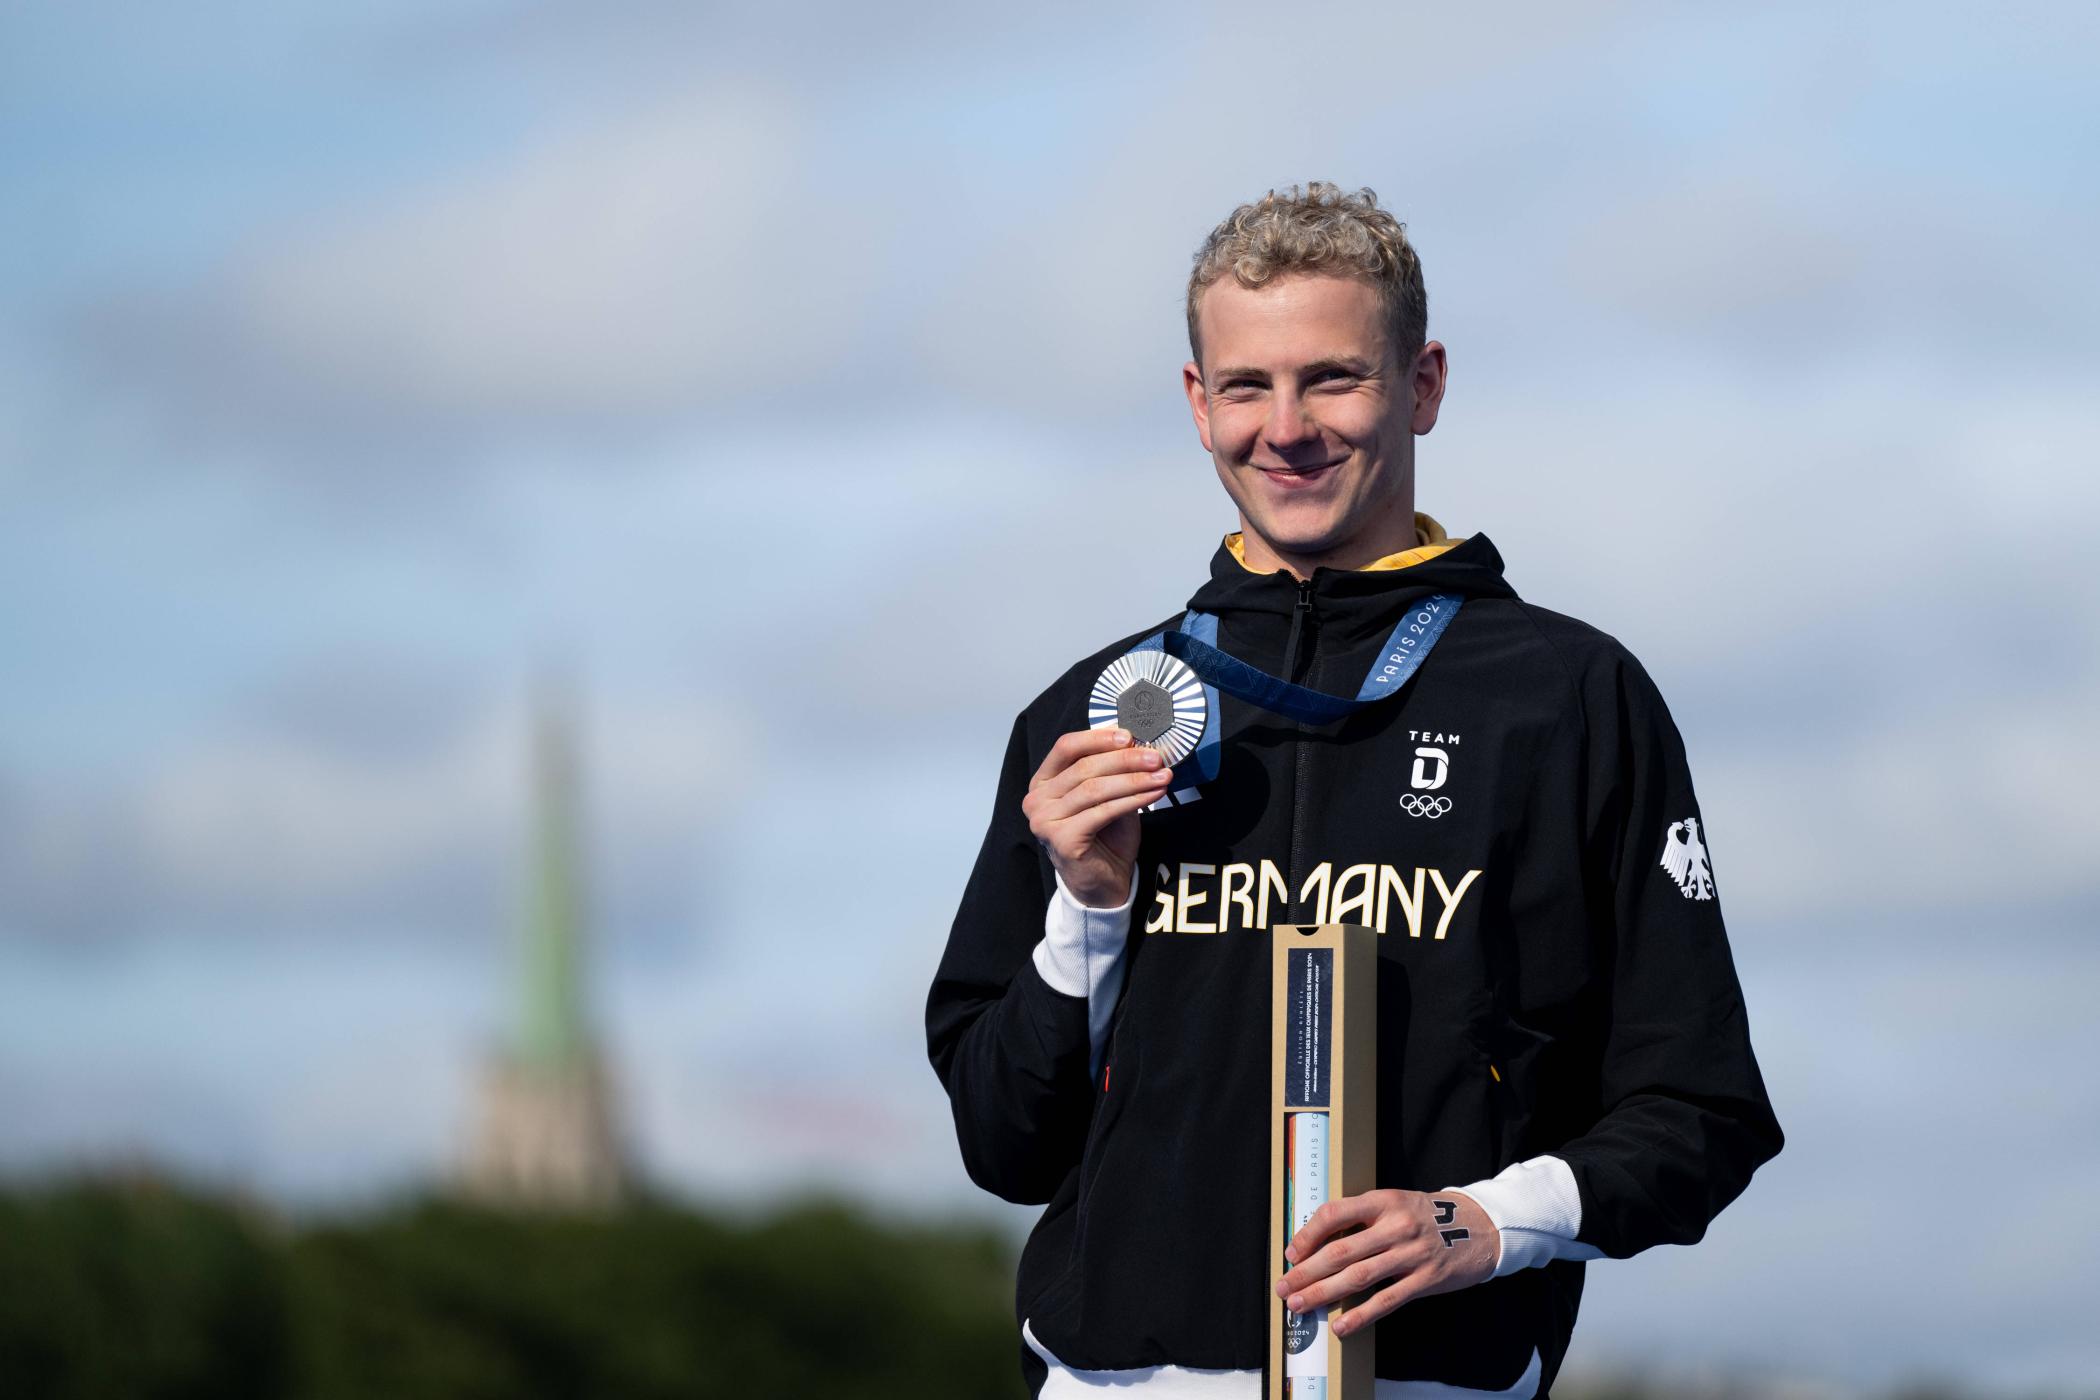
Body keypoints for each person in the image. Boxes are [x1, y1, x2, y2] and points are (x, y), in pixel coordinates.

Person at [924, 182, 1783, 1400]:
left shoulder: (1570, 696)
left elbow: (1703, 1112)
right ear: (1195, 401)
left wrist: (1481, 1221)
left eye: (1334, 378)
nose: (1287, 427)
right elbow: (1003, 1141)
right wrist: (1091, 907)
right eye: (1246, 386)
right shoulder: (1096, 710)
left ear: (1423, 383)